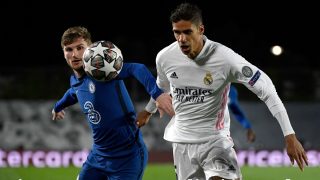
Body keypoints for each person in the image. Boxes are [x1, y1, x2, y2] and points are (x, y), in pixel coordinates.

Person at [137, 3, 308, 180]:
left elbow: (266, 89)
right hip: (182, 143)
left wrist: (289, 135)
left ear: (201, 29)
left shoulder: (225, 59)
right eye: (177, 32)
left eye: (187, 32)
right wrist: (148, 110)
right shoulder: (165, 57)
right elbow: (161, 87)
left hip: (215, 141)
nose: (181, 39)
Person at [51, 26, 174, 180]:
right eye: (68, 49)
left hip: (127, 157)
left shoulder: (104, 71)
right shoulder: (75, 81)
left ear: (90, 49)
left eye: (79, 48)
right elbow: (73, 93)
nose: (74, 54)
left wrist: (157, 94)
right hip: (98, 156)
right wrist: (58, 107)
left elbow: (137, 68)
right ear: (64, 53)